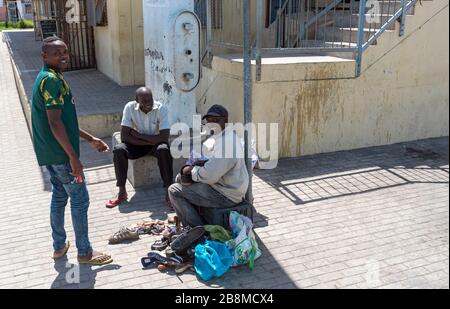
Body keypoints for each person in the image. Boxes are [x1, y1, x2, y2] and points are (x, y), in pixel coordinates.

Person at [31, 36, 112, 265]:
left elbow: (63, 121)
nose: (63, 56)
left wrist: (90, 139)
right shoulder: (52, 80)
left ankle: (58, 247)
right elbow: (55, 123)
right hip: (61, 156)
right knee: (79, 200)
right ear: (44, 56)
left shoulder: (47, 77)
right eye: (56, 53)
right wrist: (73, 158)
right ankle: (85, 252)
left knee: (59, 197)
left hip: (49, 153)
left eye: (64, 52)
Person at [168, 105, 249, 227]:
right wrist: (197, 167)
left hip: (226, 195)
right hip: (224, 186)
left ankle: (195, 229)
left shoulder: (227, 142)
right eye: (209, 120)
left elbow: (210, 176)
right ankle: (199, 218)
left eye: (216, 120)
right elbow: (216, 164)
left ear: (225, 121)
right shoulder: (223, 136)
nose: (212, 124)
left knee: (174, 190)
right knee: (180, 178)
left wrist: (191, 170)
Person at [106, 87, 174, 209]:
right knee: (119, 149)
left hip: (155, 145)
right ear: (136, 100)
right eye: (144, 101)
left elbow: (164, 137)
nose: (148, 104)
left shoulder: (161, 108)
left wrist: (138, 135)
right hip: (139, 144)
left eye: (150, 100)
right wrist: (146, 141)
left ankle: (169, 193)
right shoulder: (129, 107)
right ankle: (122, 191)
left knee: (164, 149)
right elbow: (124, 136)